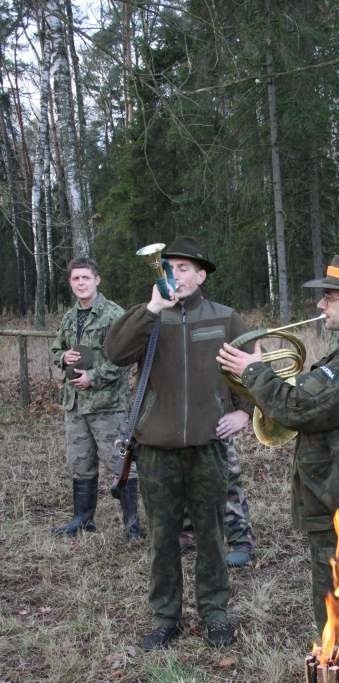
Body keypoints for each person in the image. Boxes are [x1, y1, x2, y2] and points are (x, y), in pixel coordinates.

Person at [217, 255, 339, 633]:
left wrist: (253, 372)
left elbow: (303, 407)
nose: (320, 304)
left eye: (329, 297)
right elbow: (318, 398)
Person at [104, 237, 252, 650]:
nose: (177, 274)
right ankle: (165, 617)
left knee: (211, 533)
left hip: (208, 445)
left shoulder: (225, 318)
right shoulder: (148, 317)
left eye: (185, 268)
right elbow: (114, 354)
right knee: (163, 537)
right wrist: (152, 309)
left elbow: (251, 369)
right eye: (170, 267)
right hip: (156, 448)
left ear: (201, 275)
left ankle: (215, 613)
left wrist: (245, 411)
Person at [51, 257, 144, 541]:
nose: (81, 283)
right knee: (80, 462)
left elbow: (125, 358)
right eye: (76, 279)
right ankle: (82, 519)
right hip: (76, 404)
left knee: (121, 462)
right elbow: (57, 350)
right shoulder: (69, 317)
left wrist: (95, 377)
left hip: (108, 406)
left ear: (97, 280)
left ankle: (131, 524)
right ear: (70, 283)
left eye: (86, 278)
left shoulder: (114, 314)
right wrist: (62, 357)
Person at [180, 437, 255, 567]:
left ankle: (241, 540)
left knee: (225, 475)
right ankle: (186, 533)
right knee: (181, 472)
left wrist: (243, 415)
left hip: (215, 423)